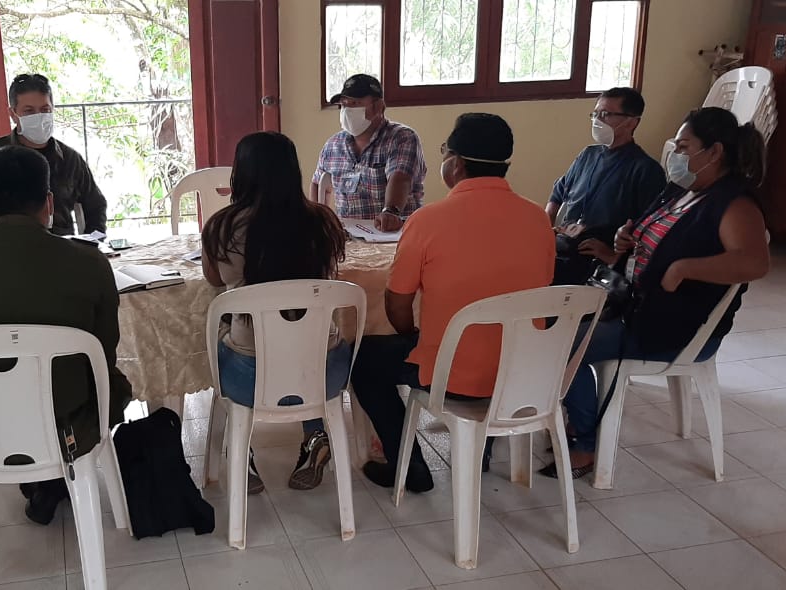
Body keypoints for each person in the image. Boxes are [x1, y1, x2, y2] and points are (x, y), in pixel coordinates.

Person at [542, 107, 770, 479]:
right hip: (634, 304)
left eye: (684, 146)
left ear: (714, 152)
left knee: (566, 344)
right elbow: (646, 238)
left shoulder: (733, 203)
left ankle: (584, 444)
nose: (676, 154)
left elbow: (755, 263)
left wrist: (685, 269)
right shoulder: (680, 190)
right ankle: (571, 417)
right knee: (552, 320)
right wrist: (624, 241)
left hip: (674, 326)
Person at [349, 114, 555, 492]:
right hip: (525, 372)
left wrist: (414, 338)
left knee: (363, 362)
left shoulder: (428, 221)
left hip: (454, 377)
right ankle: (483, 453)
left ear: (456, 163)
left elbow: (397, 305)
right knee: (494, 336)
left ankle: (408, 469)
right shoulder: (537, 218)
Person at [0, 145, 133, 525]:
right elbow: (104, 352)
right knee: (106, 384)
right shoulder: (89, 264)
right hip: (69, 421)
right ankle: (54, 478)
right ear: (50, 203)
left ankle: (43, 483)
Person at [202, 132, 351, 494]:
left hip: (250, 377)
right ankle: (315, 435)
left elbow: (212, 278)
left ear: (241, 174)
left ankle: (242, 451)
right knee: (306, 343)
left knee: (214, 341)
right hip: (327, 374)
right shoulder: (323, 222)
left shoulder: (222, 226)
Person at [0, 73, 108, 238]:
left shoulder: (70, 159)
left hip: (61, 252)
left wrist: (92, 244)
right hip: (7, 253)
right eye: (29, 111)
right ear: (13, 114)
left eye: (45, 110)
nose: (39, 117)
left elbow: (96, 205)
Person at [548, 88, 666, 285]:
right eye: (595, 114)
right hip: (564, 243)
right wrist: (545, 231)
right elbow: (557, 194)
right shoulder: (588, 155)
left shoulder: (645, 170)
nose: (597, 120)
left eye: (605, 114)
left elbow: (651, 231)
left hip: (595, 262)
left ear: (631, 121)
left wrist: (613, 255)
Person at [311, 74, 427, 231]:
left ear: (378, 106)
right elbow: (318, 183)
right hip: (350, 237)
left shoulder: (401, 138)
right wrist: (318, 220)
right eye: (343, 105)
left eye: (355, 103)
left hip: (393, 235)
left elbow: (400, 178)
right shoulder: (333, 145)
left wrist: (391, 212)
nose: (347, 110)